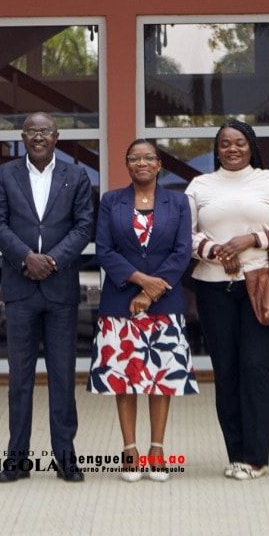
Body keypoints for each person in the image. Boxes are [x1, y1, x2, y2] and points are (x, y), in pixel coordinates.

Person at [187, 119, 269, 481]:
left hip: (261, 284)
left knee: (255, 369)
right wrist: (217, 250)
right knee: (227, 371)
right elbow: (184, 235)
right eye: (224, 144)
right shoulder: (200, 185)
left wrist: (248, 239)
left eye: (239, 142)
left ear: (251, 146)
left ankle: (256, 457)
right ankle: (235, 453)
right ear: (216, 149)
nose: (232, 149)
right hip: (212, 287)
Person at [0, 111, 96, 483]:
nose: (38, 137)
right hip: (19, 290)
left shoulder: (76, 175)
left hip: (60, 287)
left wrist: (52, 260)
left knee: (63, 377)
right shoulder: (4, 175)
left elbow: (84, 226)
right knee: (20, 378)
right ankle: (16, 459)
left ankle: (66, 458)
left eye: (45, 131)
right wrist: (24, 258)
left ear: (56, 137)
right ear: (22, 136)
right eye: (32, 131)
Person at [89, 139, 197, 482]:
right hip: (119, 302)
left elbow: (182, 252)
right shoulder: (110, 201)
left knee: (159, 379)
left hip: (164, 302)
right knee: (125, 378)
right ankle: (129, 450)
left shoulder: (178, 202)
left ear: (159, 163)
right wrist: (138, 281)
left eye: (148, 157)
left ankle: (157, 449)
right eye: (134, 158)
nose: (141, 163)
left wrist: (150, 293)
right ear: (127, 164)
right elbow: (104, 250)